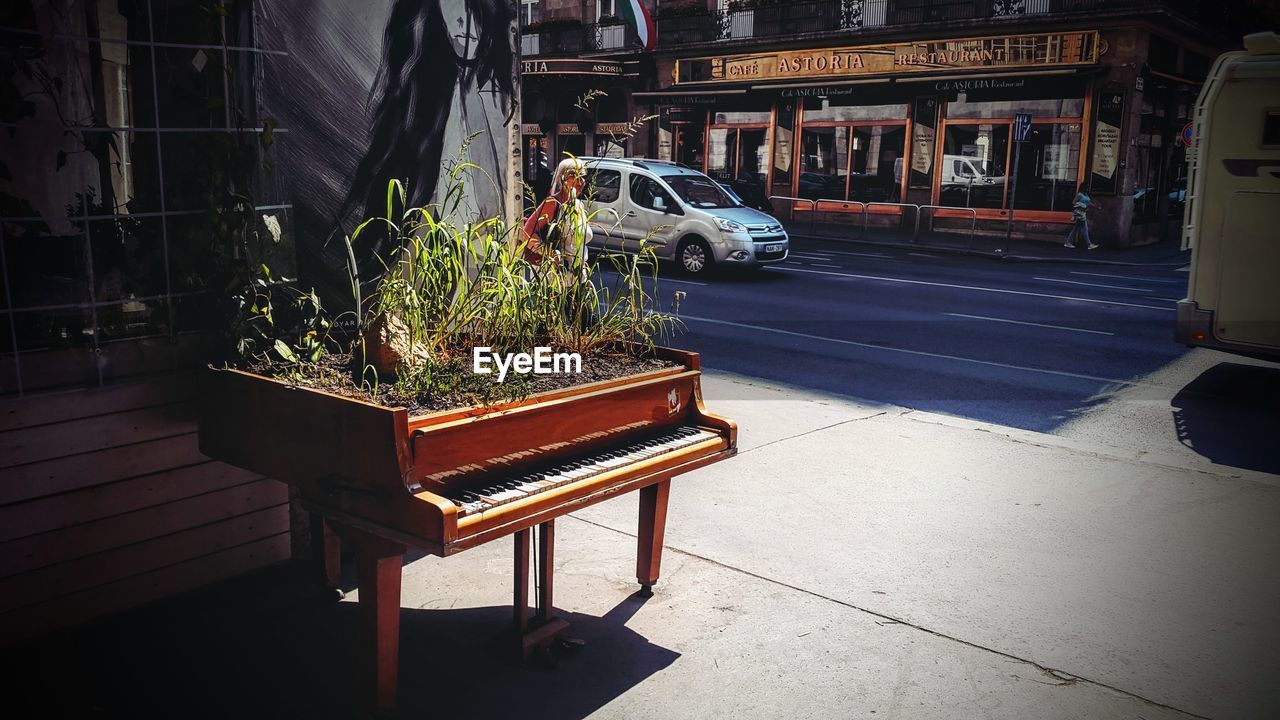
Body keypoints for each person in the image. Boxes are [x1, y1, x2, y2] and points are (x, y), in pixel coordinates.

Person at [522, 157, 593, 279]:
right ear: (562, 178)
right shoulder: (553, 203)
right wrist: (550, 254)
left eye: (582, 177)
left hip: (577, 277)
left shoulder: (578, 205)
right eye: (574, 176)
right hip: (556, 280)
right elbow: (526, 232)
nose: (580, 182)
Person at [1064, 185, 1099, 250]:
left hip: (1083, 213)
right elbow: (1073, 203)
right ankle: (1089, 244)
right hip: (1079, 213)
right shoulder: (1079, 194)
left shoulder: (1086, 194)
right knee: (1084, 229)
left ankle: (1068, 242)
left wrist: (1096, 207)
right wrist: (1081, 205)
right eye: (1087, 187)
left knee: (1076, 229)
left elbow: (1089, 202)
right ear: (1084, 187)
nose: (1088, 189)